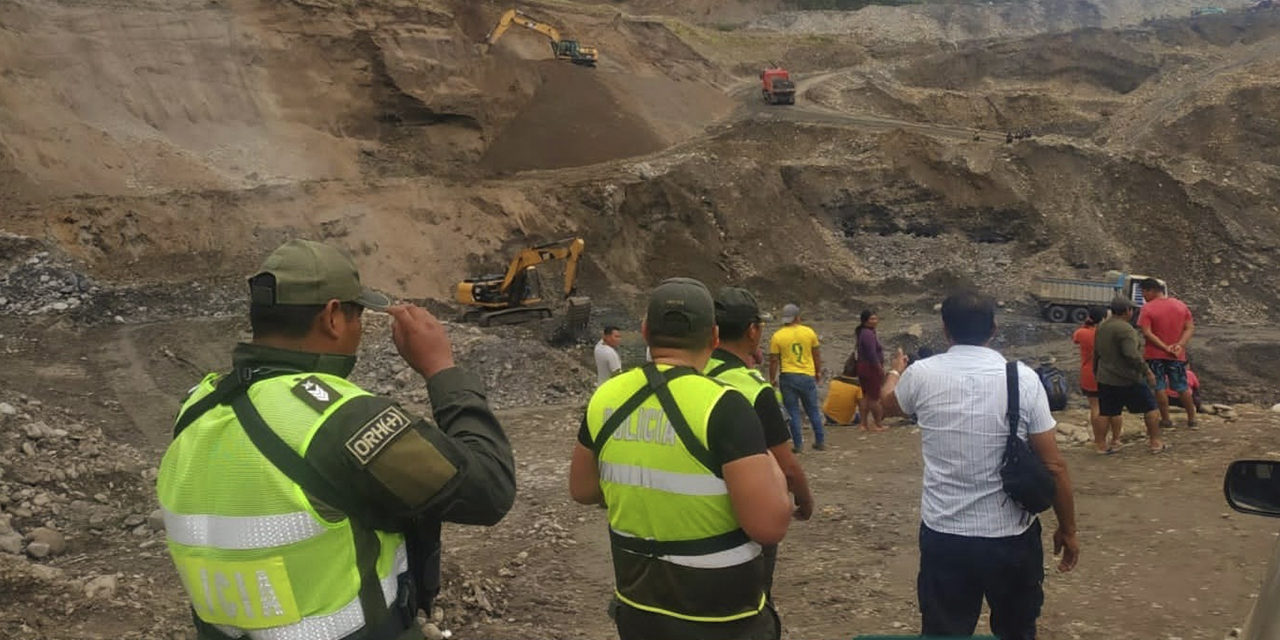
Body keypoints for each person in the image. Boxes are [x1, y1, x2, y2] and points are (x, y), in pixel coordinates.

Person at [156, 239, 517, 640]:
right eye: (357, 315)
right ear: (332, 317)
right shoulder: (340, 420)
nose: (359, 329)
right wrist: (441, 370)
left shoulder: (196, 408)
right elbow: (490, 489)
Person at [569, 277, 792, 640]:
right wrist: (775, 474)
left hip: (640, 607)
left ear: (645, 331)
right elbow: (769, 526)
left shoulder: (606, 398)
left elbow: (582, 489)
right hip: (722, 618)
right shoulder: (725, 406)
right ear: (714, 338)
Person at [880, 290, 1078, 640]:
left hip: (945, 534)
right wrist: (1068, 529)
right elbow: (1055, 465)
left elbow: (887, 406)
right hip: (1011, 536)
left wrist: (896, 372)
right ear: (994, 329)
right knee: (1017, 630)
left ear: (945, 331)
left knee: (945, 631)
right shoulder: (1022, 378)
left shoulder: (922, 374)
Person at [706, 287, 815, 598]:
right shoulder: (754, 388)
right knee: (754, 599)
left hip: (700, 509)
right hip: (748, 512)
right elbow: (786, 463)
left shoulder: (695, 373)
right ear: (752, 331)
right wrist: (804, 500)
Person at [1096, 296, 1168, 454]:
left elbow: (1097, 352)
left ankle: (1101, 446)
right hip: (1128, 379)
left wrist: (1097, 372)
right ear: (1127, 311)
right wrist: (1147, 371)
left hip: (1106, 378)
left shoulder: (1102, 326)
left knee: (1106, 411)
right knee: (1150, 408)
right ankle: (1155, 442)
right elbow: (1131, 354)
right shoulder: (1126, 329)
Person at [1137, 278, 1197, 429]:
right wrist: (1179, 345)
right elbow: (1189, 328)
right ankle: (1192, 419)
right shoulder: (1180, 305)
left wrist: (1164, 347)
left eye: (1143, 292)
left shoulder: (1148, 308)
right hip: (1176, 355)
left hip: (1155, 354)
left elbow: (1146, 332)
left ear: (1149, 290)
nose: (1143, 296)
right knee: (1182, 386)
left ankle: (1166, 420)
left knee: (1159, 387)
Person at [768, 303, 827, 451]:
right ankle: (820, 441)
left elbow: (774, 360)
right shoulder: (809, 332)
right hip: (807, 375)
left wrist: (772, 378)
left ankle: (798, 444)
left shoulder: (777, 336)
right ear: (798, 317)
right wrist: (818, 372)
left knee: (792, 411)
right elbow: (816, 354)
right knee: (813, 409)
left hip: (788, 376)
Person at [1072, 307, 1111, 452]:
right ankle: (1110, 439)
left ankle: (1098, 441)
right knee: (1108, 408)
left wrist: (1086, 324)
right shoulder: (1107, 334)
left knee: (1095, 407)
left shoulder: (1082, 333)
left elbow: (1075, 339)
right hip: (1107, 374)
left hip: (1088, 374)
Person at [854, 310, 887, 432]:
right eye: (871, 319)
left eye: (875, 318)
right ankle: (877, 423)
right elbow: (872, 353)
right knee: (874, 397)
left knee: (866, 396)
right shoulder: (868, 334)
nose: (874, 321)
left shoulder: (863, 332)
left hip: (863, 367)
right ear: (865, 321)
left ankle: (863, 424)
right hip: (870, 368)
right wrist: (879, 368)